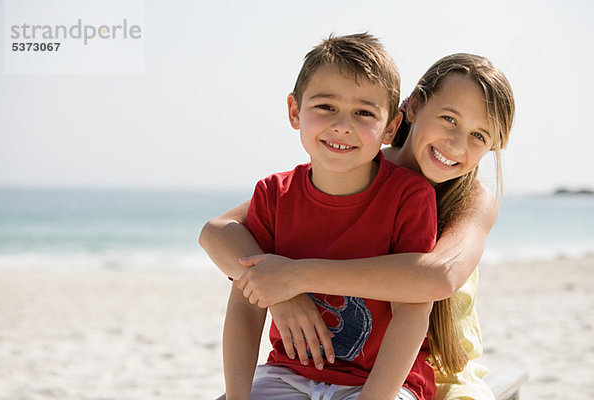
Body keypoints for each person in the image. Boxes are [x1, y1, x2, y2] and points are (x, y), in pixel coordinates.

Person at [199, 50, 515, 400]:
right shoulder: (345, 166)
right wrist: (283, 296)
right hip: (308, 368)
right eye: (449, 119)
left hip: (435, 369)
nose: (457, 144)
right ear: (412, 107)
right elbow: (218, 232)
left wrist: (296, 277)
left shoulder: (471, 198)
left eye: (479, 136)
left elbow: (437, 277)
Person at [217, 33, 442, 400]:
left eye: (364, 113)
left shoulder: (409, 197)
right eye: (325, 106)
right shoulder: (274, 195)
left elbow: (413, 311)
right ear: (294, 111)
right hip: (286, 374)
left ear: (390, 127)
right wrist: (236, 396)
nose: (342, 125)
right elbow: (246, 302)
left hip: (383, 383)